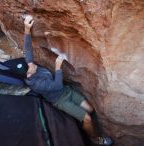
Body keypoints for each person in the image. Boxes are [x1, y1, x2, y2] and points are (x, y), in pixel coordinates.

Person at [22, 15, 113, 146]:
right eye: (30, 69)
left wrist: (26, 27)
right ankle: (96, 139)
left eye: (29, 66)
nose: (31, 65)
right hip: (60, 100)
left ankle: (83, 124)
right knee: (87, 118)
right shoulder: (37, 85)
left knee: (91, 109)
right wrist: (58, 67)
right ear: (30, 76)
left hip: (67, 90)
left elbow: (27, 48)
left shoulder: (30, 66)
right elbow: (57, 86)